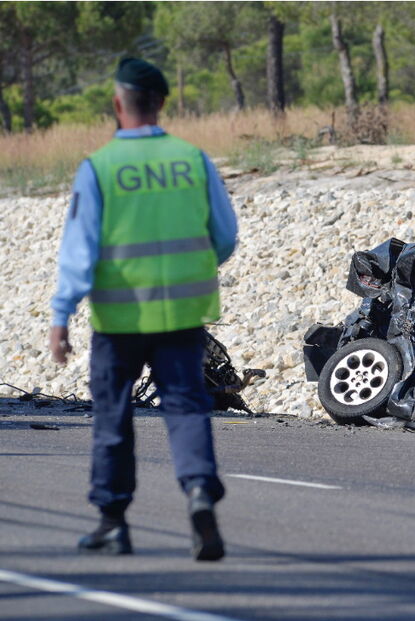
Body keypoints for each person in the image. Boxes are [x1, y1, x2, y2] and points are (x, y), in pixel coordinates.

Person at [49, 58, 238, 561]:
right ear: (161, 103)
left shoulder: (100, 168)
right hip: (181, 314)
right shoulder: (193, 160)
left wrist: (60, 315)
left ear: (117, 105)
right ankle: (199, 492)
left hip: (119, 318)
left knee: (113, 416)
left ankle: (113, 521)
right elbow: (225, 237)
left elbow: (78, 252)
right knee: (186, 407)